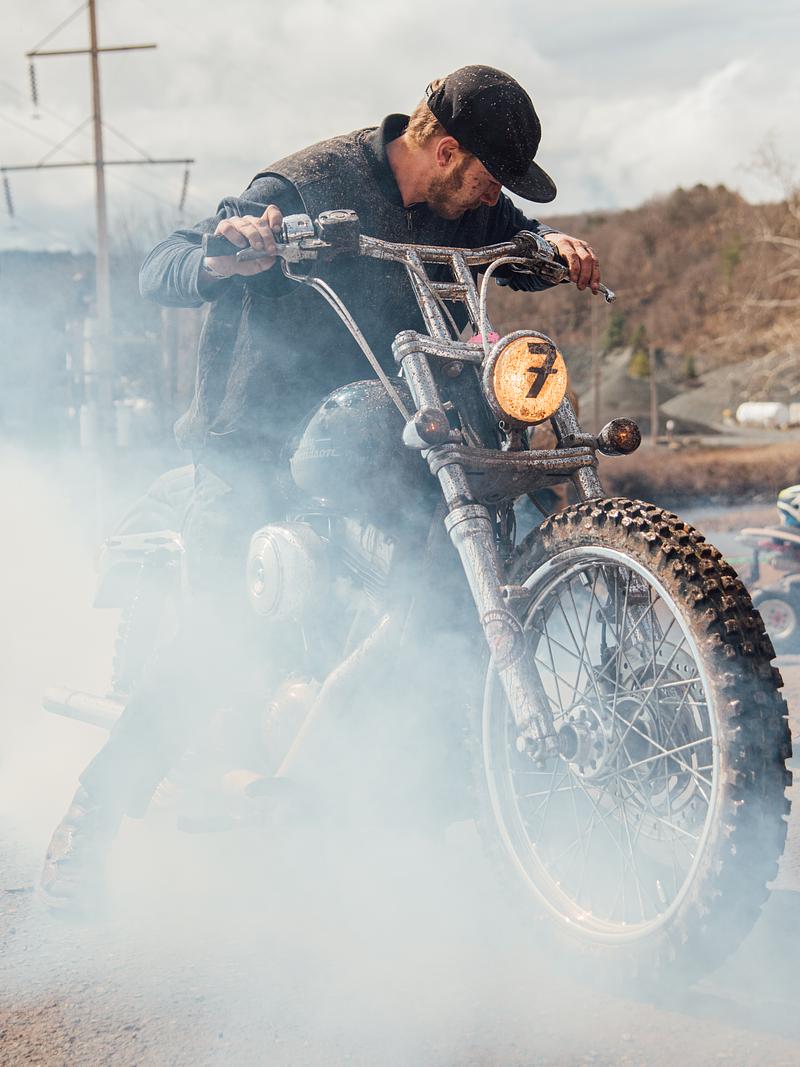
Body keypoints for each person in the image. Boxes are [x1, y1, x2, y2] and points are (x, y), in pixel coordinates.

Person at [41, 64, 601, 912]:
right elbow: (166, 263)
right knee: (222, 640)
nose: (496, 197)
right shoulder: (304, 185)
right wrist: (228, 255)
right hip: (257, 439)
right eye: (491, 177)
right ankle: (92, 817)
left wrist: (552, 246)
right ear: (447, 151)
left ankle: (413, 787)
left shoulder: (469, 206)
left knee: (458, 564)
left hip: (384, 428)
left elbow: (512, 239)